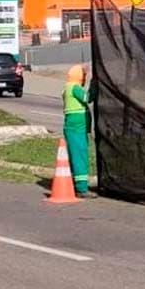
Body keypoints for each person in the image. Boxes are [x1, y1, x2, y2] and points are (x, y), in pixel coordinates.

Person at [63, 64, 96, 198]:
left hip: (74, 127)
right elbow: (88, 98)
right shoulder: (75, 88)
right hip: (77, 127)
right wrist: (94, 85)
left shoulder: (67, 87)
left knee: (76, 155)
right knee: (80, 155)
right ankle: (82, 189)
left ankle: (75, 184)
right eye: (83, 75)